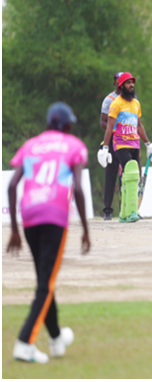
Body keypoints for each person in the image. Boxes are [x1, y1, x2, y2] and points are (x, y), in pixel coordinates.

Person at [7, 102, 91, 364]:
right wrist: (86, 230)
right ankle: (24, 343)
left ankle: (56, 339)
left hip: (30, 216)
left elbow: (12, 185)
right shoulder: (74, 145)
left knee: (45, 278)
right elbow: (77, 188)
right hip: (54, 216)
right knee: (45, 284)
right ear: (66, 126)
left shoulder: (30, 145)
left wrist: (13, 229)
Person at [97, 72, 152, 223]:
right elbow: (106, 125)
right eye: (127, 82)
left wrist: (148, 143)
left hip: (134, 143)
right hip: (117, 141)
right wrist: (105, 147)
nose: (131, 85)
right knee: (114, 174)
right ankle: (109, 211)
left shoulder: (135, 103)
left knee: (131, 175)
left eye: (132, 83)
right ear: (119, 84)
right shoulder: (112, 101)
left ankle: (128, 210)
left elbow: (138, 125)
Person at [100, 72, 123, 221]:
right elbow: (102, 122)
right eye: (120, 83)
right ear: (115, 84)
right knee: (111, 176)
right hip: (114, 139)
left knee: (128, 177)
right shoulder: (109, 100)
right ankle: (107, 211)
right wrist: (113, 129)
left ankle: (128, 210)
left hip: (128, 141)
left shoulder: (132, 99)